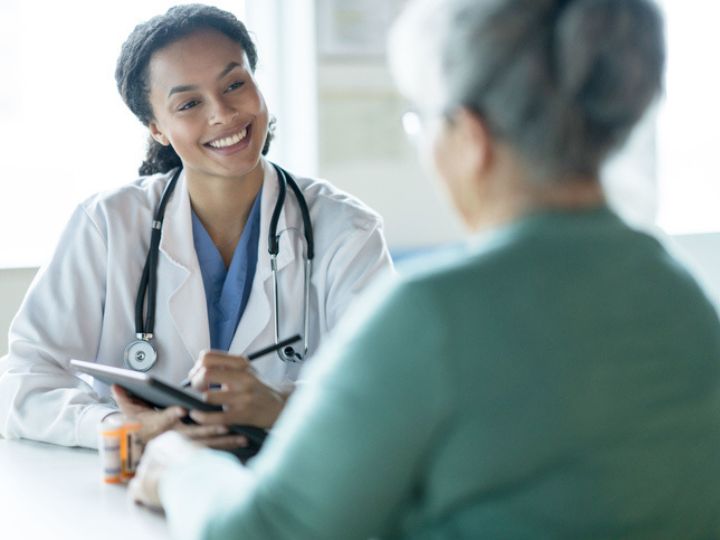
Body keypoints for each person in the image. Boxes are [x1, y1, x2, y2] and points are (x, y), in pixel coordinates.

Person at [129, 0, 720, 537]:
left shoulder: (432, 316)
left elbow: (265, 530)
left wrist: (181, 466)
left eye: (424, 122)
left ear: (472, 137)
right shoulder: (683, 296)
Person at [0, 4, 392, 451]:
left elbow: (394, 393)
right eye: (188, 103)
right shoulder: (107, 225)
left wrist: (281, 405)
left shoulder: (347, 230)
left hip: (292, 490)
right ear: (157, 128)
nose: (222, 114)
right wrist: (124, 427)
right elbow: (20, 384)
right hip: (140, 489)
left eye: (235, 84)